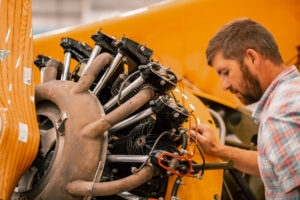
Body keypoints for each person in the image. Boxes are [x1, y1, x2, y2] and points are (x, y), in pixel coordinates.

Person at [192, 18, 300, 199]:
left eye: (225, 72)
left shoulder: (278, 117)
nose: (224, 85)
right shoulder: (292, 93)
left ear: (252, 57)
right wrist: (217, 149)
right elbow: (273, 165)